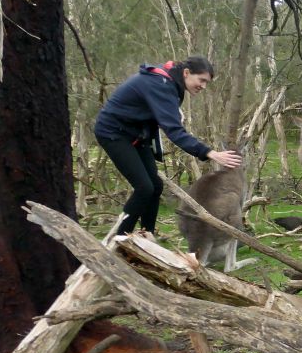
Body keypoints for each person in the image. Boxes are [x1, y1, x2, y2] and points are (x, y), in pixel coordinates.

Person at [94, 55, 242, 236]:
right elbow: (174, 132)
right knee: (144, 187)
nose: (203, 86)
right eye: (201, 80)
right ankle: (117, 239)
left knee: (155, 186)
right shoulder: (161, 85)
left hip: (137, 135)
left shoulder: (170, 83)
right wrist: (209, 153)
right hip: (113, 133)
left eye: (207, 83)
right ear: (186, 73)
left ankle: (146, 236)